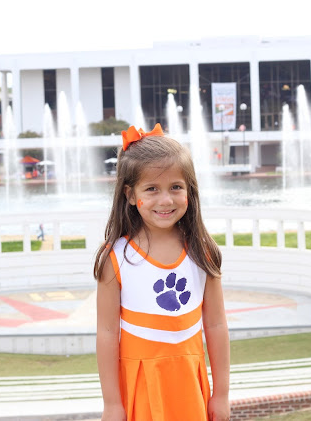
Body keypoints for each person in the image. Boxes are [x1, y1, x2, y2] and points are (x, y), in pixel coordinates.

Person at [93, 124, 230, 421]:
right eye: (152, 189)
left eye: (176, 187)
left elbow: (217, 325)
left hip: (189, 384)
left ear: (190, 191)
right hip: (140, 384)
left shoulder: (202, 251)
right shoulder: (115, 257)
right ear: (131, 195)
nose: (166, 200)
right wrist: (112, 404)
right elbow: (106, 333)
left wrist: (221, 394)